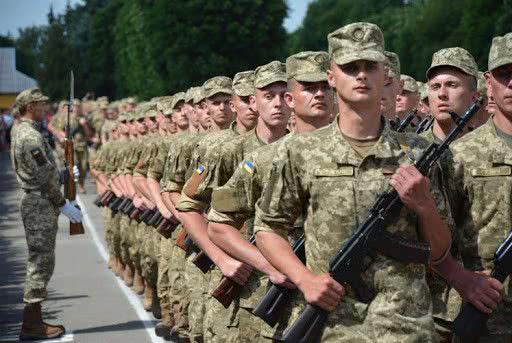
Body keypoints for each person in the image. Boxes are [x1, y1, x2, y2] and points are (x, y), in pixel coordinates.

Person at [254, 22, 452, 342]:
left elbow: (440, 250)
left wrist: (425, 205)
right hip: (336, 325)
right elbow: (268, 229)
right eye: (350, 67)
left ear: (385, 74)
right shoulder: (300, 151)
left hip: (405, 325)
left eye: (369, 66)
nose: (361, 75)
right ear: (332, 77)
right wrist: (304, 279)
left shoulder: (419, 153)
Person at [207, 50, 333, 341]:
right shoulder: (263, 161)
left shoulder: (363, 157)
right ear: (292, 99)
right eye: (308, 87)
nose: (318, 95)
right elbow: (218, 224)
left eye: (325, 87)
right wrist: (269, 265)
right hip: (284, 300)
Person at [435, 33, 512, 343]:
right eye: (506, 75)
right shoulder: (459, 155)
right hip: (485, 315)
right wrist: (460, 278)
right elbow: (435, 237)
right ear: (488, 81)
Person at [11, 88, 82, 340]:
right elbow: (41, 175)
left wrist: (63, 175)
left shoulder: (24, 131)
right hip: (39, 202)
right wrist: (63, 203)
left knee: (41, 260)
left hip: (39, 200)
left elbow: (44, 171)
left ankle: (35, 317)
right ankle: (31, 324)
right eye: (41, 105)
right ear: (30, 106)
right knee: (41, 261)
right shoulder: (29, 136)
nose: (46, 109)